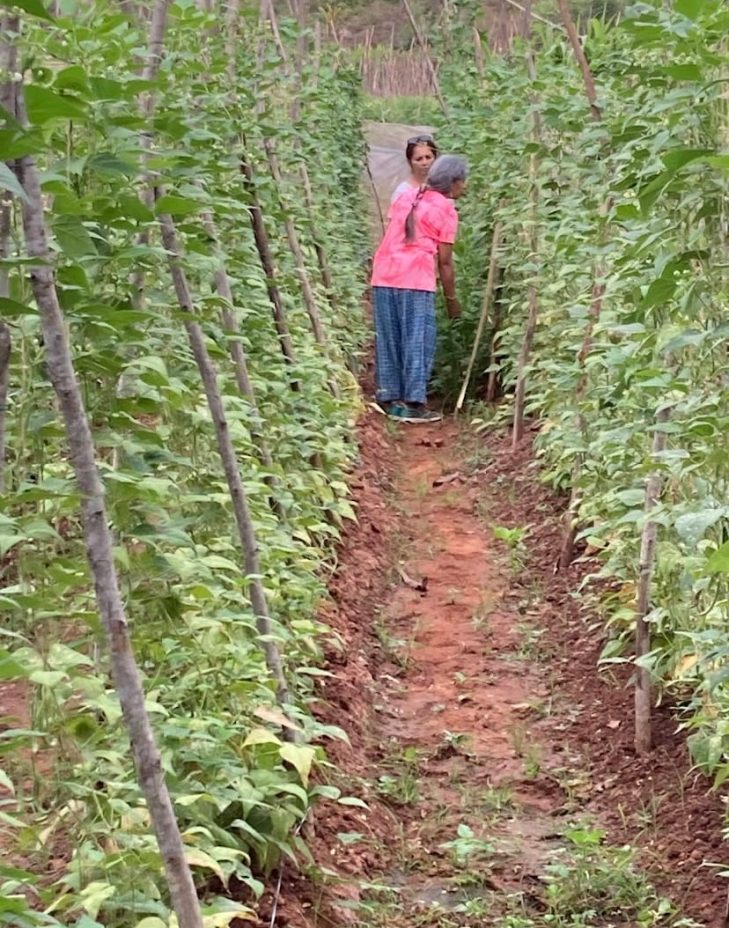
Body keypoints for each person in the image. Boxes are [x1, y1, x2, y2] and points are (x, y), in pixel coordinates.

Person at [371, 154, 468, 423]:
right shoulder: (446, 209)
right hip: (414, 277)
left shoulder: (407, 196)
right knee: (417, 339)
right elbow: (445, 262)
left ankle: (389, 397)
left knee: (389, 336)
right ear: (455, 182)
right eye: (463, 182)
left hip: (384, 273)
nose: (465, 188)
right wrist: (451, 300)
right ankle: (413, 403)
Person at [390, 134, 438, 204]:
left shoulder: (443, 187)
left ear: (435, 158)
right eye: (419, 159)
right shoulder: (402, 192)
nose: (424, 162)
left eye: (428, 157)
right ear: (409, 162)